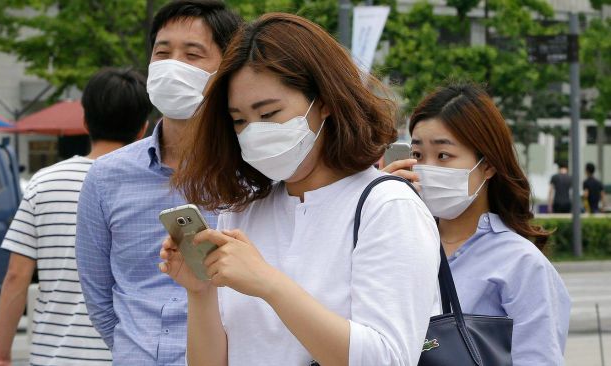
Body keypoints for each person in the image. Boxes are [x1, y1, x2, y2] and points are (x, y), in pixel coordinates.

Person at [158, 13, 441, 366]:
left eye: (269, 113)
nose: (253, 133)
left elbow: (386, 358)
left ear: (323, 101)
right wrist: (200, 292)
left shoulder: (387, 206)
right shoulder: (243, 211)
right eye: (239, 120)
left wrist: (269, 284)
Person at [74, 1, 243, 365]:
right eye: (162, 52)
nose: (172, 65)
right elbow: (99, 296)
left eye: (192, 54)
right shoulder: (106, 176)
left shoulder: (254, 175)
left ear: (226, 68)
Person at [383, 82, 571, 365]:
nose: (427, 168)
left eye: (443, 155)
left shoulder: (520, 263)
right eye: (418, 155)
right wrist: (380, 206)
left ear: (487, 164)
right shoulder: (399, 245)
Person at [0, 68, 152, 366]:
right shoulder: (153, 187)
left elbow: (16, 276)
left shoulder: (44, 183)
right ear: (143, 128)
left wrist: (1, 356)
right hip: (128, 354)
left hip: (55, 355)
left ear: (85, 121)